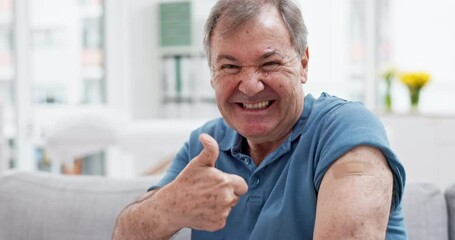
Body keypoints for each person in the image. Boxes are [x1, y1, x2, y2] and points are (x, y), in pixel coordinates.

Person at [112, 0, 407, 239]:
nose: (250, 85)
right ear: (212, 73)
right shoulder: (204, 145)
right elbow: (124, 234)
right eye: (230, 66)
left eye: (270, 63)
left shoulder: (346, 128)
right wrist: (168, 208)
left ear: (303, 64)